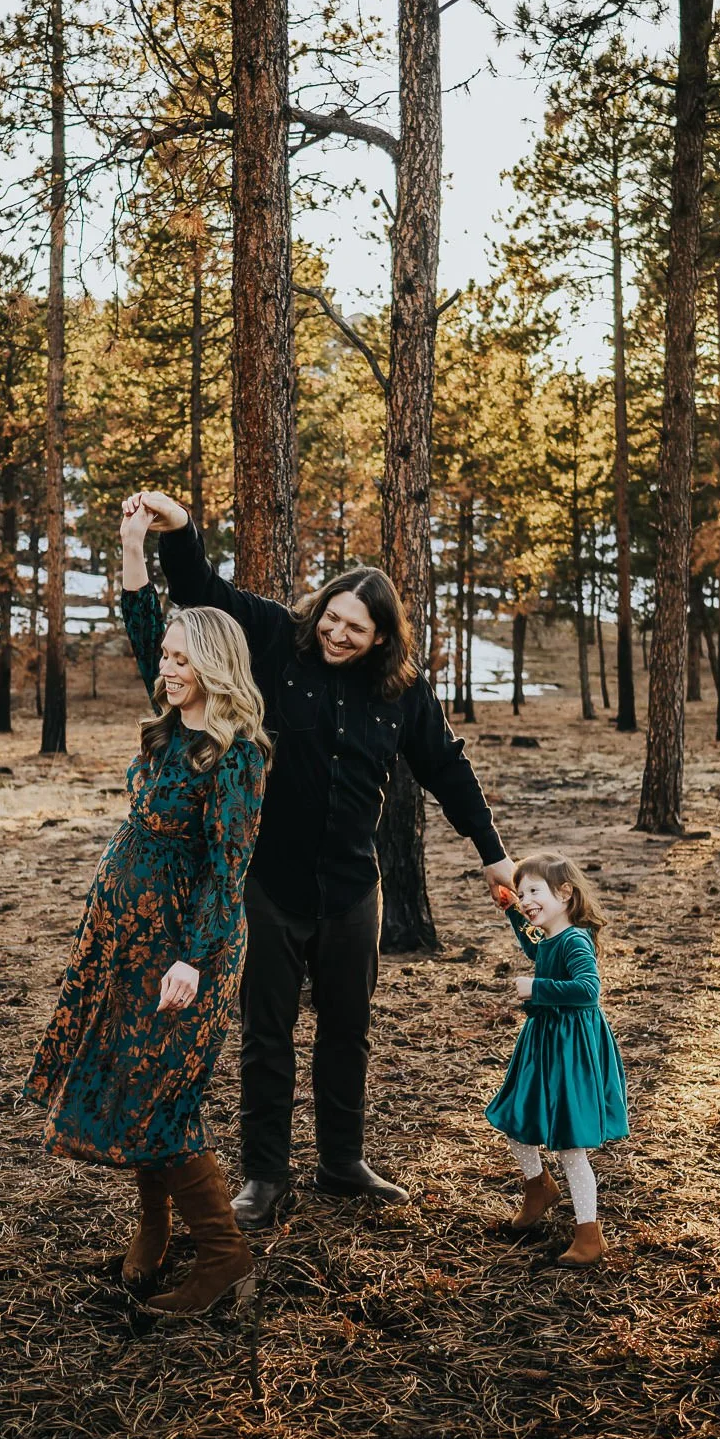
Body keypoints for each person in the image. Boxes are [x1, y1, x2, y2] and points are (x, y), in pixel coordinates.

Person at [121, 489, 512, 1230]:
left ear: (380, 638)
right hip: (269, 881)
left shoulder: (401, 692)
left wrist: (492, 853)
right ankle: (264, 1175)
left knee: (347, 1028)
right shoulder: (276, 639)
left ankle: (342, 1159)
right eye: (332, 616)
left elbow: (447, 767)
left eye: (354, 628)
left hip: (352, 888)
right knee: (265, 1032)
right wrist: (181, 529)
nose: (336, 632)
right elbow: (205, 591)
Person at [23, 501, 270, 1316]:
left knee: (163, 1093)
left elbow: (227, 872)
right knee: (136, 1082)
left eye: (180, 659)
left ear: (215, 666)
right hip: (127, 938)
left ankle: (226, 1257)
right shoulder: (170, 725)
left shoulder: (232, 757)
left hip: (184, 946)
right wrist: (134, 543)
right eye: (162, 656)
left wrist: (192, 958)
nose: (164, 667)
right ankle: (153, 1231)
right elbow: (139, 618)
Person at [485, 853, 629, 1271]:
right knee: (516, 1118)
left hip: (571, 1051)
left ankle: (589, 1234)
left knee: (569, 1145)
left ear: (565, 894)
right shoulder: (550, 936)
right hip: (543, 1045)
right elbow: (534, 944)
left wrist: (536, 987)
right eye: (524, 891)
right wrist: (512, 908)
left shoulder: (576, 939)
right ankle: (538, 1187)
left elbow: (587, 989)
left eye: (535, 891)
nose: (528, 899)